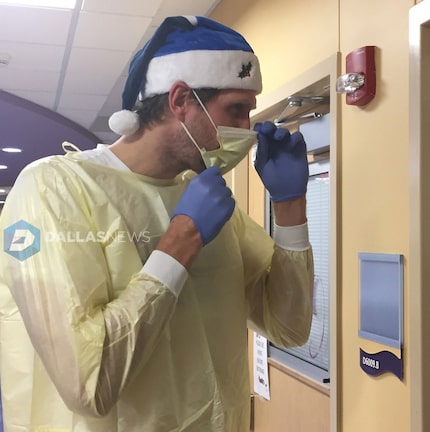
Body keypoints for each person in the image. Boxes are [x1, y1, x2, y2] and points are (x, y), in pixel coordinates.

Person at [0, 15, 314, 432]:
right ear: (180, 99)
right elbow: (87, 384)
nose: (246, 130)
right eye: (236, 111)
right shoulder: (54, 190)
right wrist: (181, 240)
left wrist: (290, 206)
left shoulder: (210, 201)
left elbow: (289, 328)